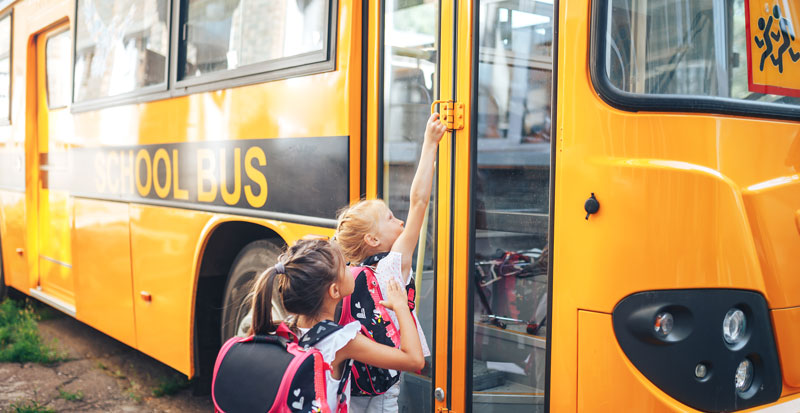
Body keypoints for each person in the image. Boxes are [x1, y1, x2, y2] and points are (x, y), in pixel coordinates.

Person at [333, 113, 446, 412]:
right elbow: (419, 202)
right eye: (390, 218)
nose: (400, 221)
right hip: (383, 391)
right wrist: (429, 144)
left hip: (349, 386)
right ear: (371, 239)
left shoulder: (346, 275)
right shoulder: (392, 266)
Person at [249, 238, 425, 412]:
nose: (350, 268)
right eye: (345, 267)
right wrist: (401, 306)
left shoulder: (286, 329)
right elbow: (414, 360)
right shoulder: (340, 341)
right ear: (334, 290)